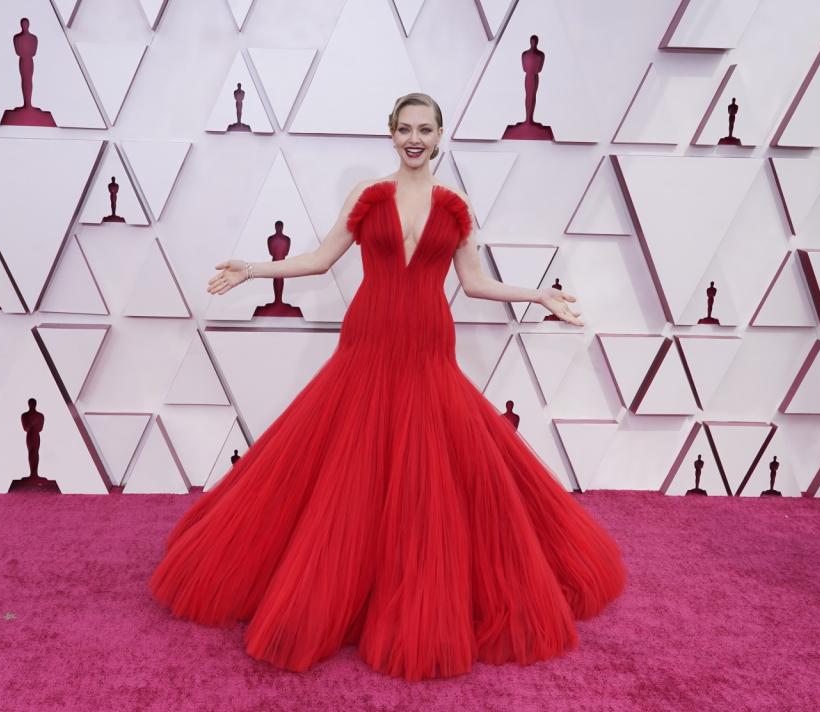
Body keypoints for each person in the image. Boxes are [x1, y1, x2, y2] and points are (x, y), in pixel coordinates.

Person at [148, 92, 626, 681]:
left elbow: (473, 284)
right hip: (368, 345)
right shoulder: (368, 196)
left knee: (427, 478)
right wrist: (254, 269)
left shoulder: (456, 207)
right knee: (352, 474)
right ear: (391, 134)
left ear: (441, 134)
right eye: (405, 129)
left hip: (428, 349)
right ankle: (341, 594)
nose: (415, 138)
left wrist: (537, 295)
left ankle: (409, 594)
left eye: (425, 128)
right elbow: (321, 260)